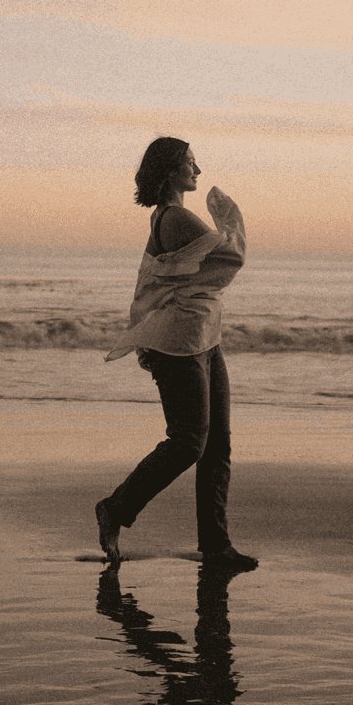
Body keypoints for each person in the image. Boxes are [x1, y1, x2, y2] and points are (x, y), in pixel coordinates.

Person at [95, 137, 258, 573]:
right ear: (170, 170)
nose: (198, 171)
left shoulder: (170, 217)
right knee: (189, 441)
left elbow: (205, 274)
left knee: (216, 446)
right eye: (190, 163)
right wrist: (229, 213)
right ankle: (116, 507)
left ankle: (216, 545)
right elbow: (231, 259)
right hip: (179, 344)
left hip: (204, 338)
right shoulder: (176, 218)